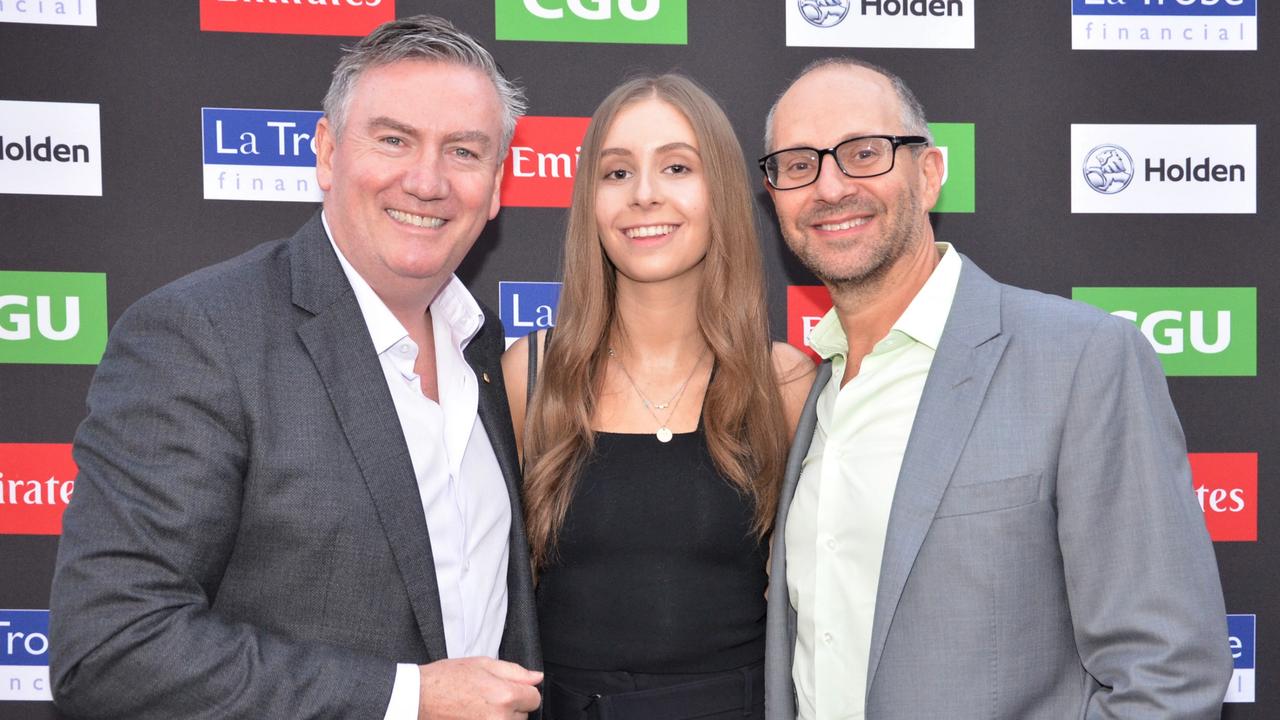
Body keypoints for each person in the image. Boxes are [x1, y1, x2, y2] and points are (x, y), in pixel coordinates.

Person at [49, 15, 542, 720]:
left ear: (496, 186)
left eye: (464, 151)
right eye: (394, 139)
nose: (426, 180)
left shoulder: (487, 352)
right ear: (326, 153)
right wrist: (410, 698)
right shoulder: (203, 335)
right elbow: (111, 647)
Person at [759, 58, 1233, 719]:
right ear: (774, 194)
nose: (830, 185)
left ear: (928, 175)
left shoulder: (1081, 361)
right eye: (799, 163)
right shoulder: (810, 391)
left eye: (864, 153)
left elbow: (1167, 676)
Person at [501, 74, 813, 720]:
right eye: (616, 173)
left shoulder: (784, 383)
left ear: (721, 191)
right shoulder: (530, 375)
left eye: (676, 167)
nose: (644, 195)